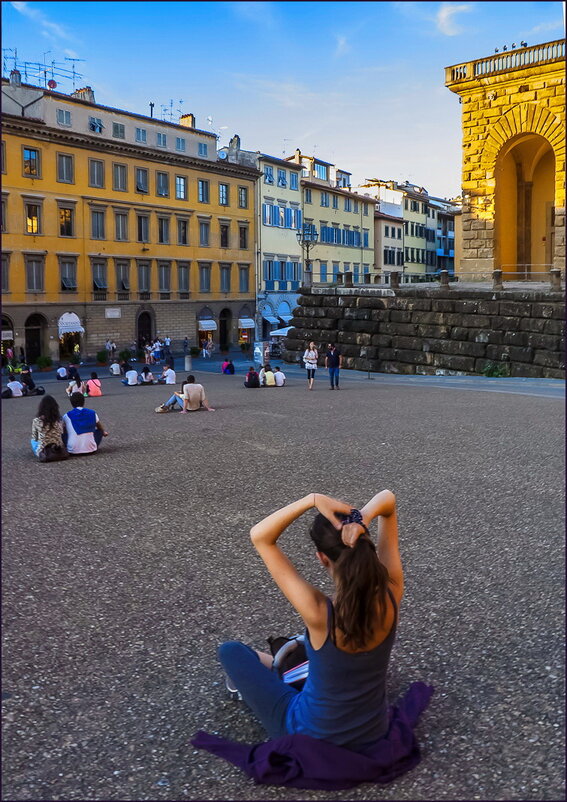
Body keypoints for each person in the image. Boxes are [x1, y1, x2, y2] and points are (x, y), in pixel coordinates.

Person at [218, 489, 403, 753]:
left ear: (321, 557)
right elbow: (388, 499)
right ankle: (283, 666)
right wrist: (361, 517)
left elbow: (260, 537)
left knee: (231, 651)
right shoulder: (392, 591)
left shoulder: (319, 612)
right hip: (373, 731)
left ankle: (270, 674)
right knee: (307, 655)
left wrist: (312, 499)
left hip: (312, 736)